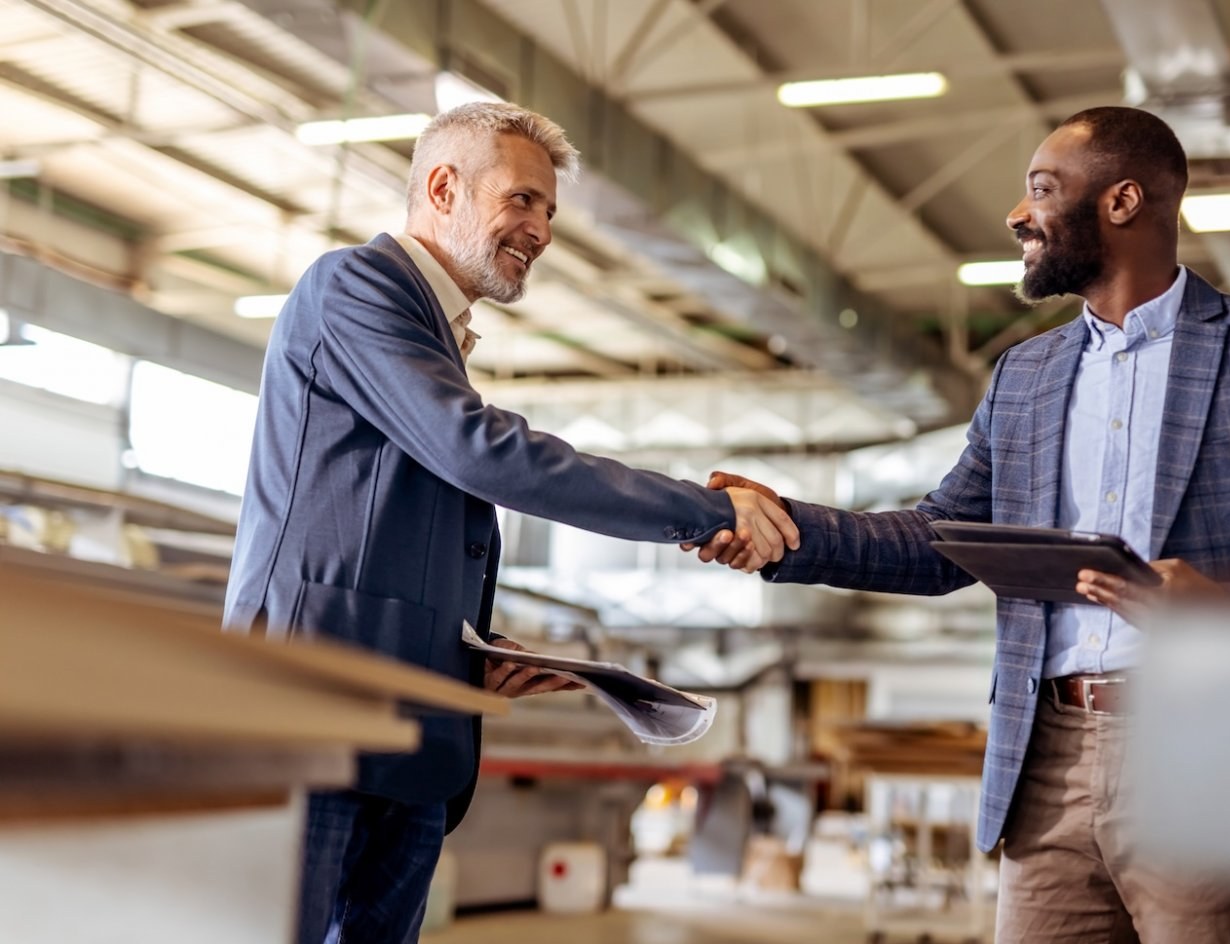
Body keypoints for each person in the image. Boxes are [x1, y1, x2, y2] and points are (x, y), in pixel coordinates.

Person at [692, 106, 1230, 942]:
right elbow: (940, 542)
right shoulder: (1025, 374)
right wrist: (785, 529)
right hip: (1046, 756)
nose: (1016, 214)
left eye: (1041, 189)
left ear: (1120, 202)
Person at [221, 101, 798, 944]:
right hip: (312, 717)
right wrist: (702, 510)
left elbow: (389, 541)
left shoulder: (435, 341)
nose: (542, 230)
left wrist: (465, 658)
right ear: (444, 187)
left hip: (410, 732)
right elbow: (481, 454)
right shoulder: (353, 287)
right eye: (523, 200)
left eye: (550, 212)